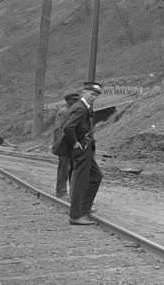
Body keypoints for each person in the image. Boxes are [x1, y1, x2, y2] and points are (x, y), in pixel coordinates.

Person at [63, 82, 104, 225]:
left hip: (86, 147)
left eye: (96, 95)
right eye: (92, 94)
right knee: (80, 181)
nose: (94, 97)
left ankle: (84, 209)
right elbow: (68, 128)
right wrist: (75, 143)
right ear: (83, 92)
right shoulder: (80, 108)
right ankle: (76, 215)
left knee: (96, 176)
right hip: (82, 148)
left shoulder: (85, 107)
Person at [53, 91, 80, 198]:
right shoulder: (63, 112)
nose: (76, 102)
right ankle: (61, 192)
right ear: (69, 101)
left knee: (73, 169)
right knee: (64, 168)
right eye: (74, 100)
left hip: (72, 144)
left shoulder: (74, 112)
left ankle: (72, 193)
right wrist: (62, 144)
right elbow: (59, 129)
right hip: (64, 145)